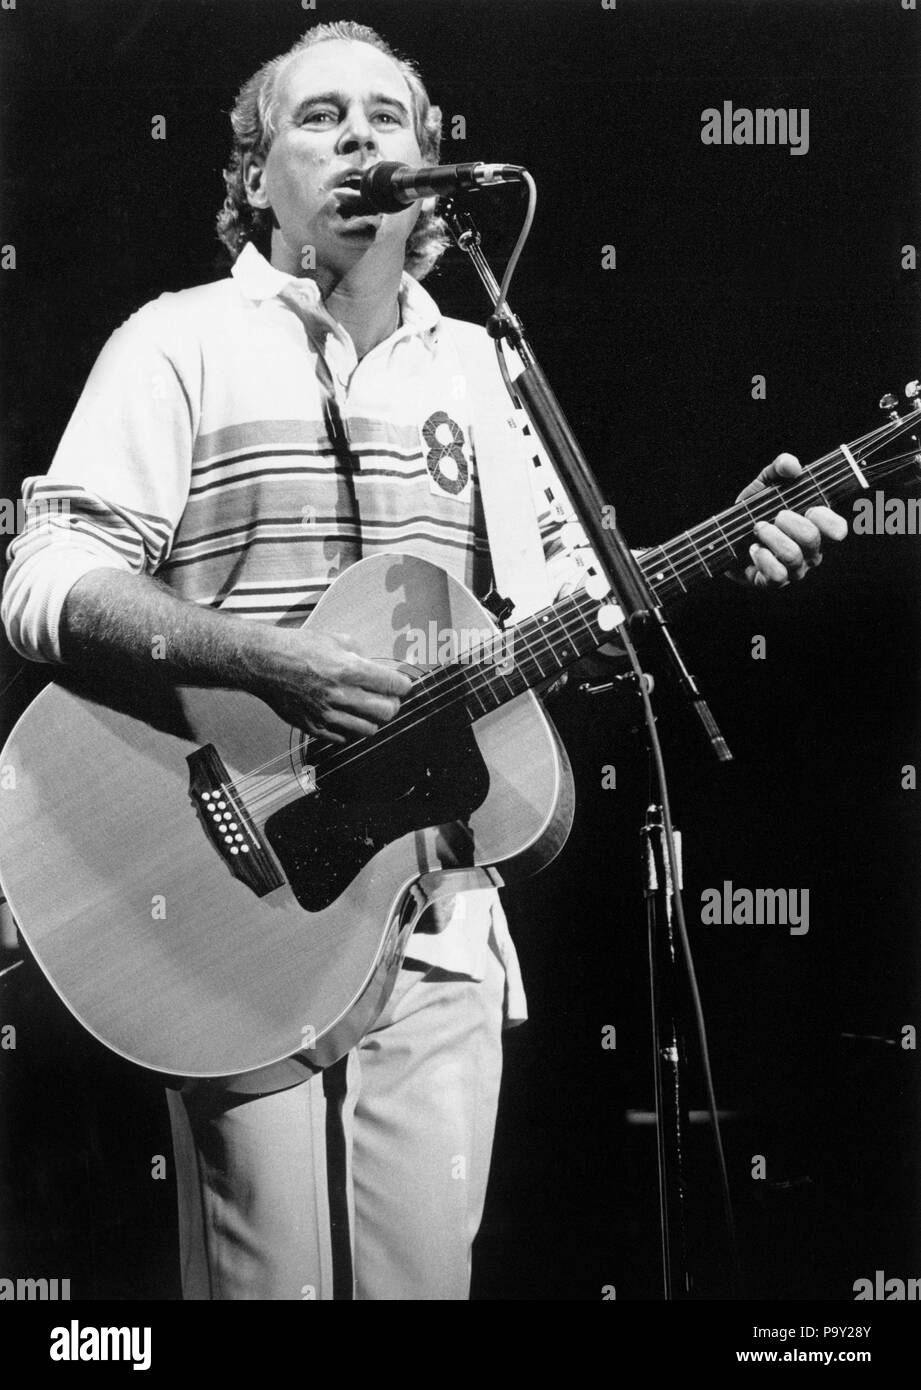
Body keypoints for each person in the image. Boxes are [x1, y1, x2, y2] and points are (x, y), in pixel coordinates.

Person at [0, 20, 846, 1300]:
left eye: (385, 118)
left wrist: (716, 548)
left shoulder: (482, 367)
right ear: (255, 176)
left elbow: (568, 614)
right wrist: (273, 664)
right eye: (317, 117)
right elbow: (44, 582)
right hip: (237, 899)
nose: (357, 139)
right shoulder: (176, 343)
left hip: (435, 906)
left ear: (432, 169)